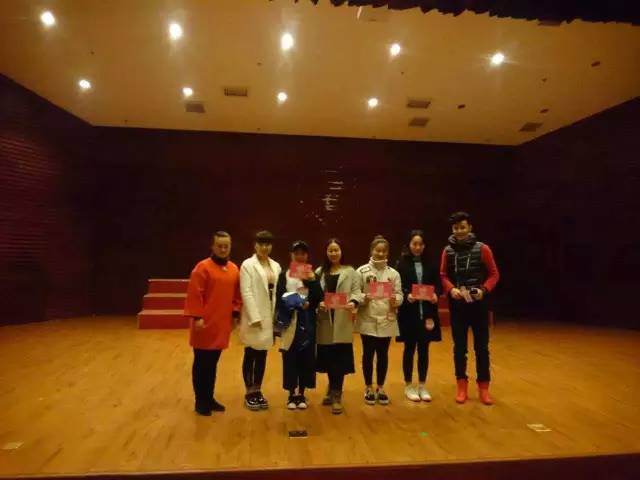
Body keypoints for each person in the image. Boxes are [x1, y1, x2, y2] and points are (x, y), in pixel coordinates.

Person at [440, 212, 500, 405]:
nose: (459, 231)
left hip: (479, 304)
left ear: (470, 228)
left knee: (481, 348)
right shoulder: (447, 251)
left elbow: (494, 274)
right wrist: (451, 289)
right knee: (460, 348)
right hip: (458, 305)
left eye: (462, 227)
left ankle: (484, 388)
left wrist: (484, 290)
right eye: (456, 228)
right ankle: (461, 386)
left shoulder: (483, 249)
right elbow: (443, 275)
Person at [184, 231, 242, 416]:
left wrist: (235, 313)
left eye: (226, 246)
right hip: (204, 324)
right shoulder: (202, 267)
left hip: (221, 324)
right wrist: (197, 317)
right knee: (202, 364)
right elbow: (194, 294)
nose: (223, 249)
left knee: (212, 364)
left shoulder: (234, 269)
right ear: (213, 246)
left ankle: (209, 397)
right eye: (220, 246)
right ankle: (200, 401)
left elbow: (237, 295)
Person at [354, 235, 403, 405]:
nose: (380, 253)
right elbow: (355, 293)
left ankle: (380, 387)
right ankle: (368, 387)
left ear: (387, 252)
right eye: (377, 250)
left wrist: (396, 300)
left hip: (386, 319)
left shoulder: (393, 274)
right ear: (371, 251)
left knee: (383, 355)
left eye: (383, 251)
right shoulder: (361, 272)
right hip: (367, 318)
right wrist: (364, 297)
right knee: (368, 354)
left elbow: (399, 294)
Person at [275, 241, 323, 410]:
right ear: (291, 255)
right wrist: (293, 303)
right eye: (297, 253)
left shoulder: (312, 275)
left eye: (303, 253)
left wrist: (311, 283)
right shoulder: (284, 275)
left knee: (306, 357)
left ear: (307, 256)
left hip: (307, 320)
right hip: (290, 320)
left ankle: (301, 393)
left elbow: (319, 296)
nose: (300, 256)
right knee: (290, 357)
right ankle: (291, 394)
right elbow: (280, 297)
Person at [396, 230, 442, 402]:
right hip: (409, 313)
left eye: (420, 244)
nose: (417, 247)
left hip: (427, 313)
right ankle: (408, 385)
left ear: (424, 246)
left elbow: (438, 284)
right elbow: (398, 286)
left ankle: (422, 385)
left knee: (424, 350)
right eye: (414, 244)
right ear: (409, 245)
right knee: (409, 349)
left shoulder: (431, 263)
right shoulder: (401, 264)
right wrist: (406, 294)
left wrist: (436, 293)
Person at [239, 230, 282, 411]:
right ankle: (249, 392)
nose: (264, 247)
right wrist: (254, 316)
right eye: (261, 244)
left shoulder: (276, 265)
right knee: (251, 353)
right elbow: (246, 291)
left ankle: (257, 390)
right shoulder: (247, 265)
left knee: (262, 354)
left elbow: (279, 291)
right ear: (255, 245)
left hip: (269, 316)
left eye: (268, 244)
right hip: (254, 318)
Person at [315, 238, 359, 414]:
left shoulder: (350, 271)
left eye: (336, 250)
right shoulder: (319, 272)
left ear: (342, 252)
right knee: (328, 358)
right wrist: (318, 303)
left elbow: (357, 292)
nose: (333, 253)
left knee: (339, 359)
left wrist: (354, 302)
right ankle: (331, 388)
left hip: (342, 320)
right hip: (325, 320)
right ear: (326, 252)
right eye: (330, 250)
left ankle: (337, 395)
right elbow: (314, 293)